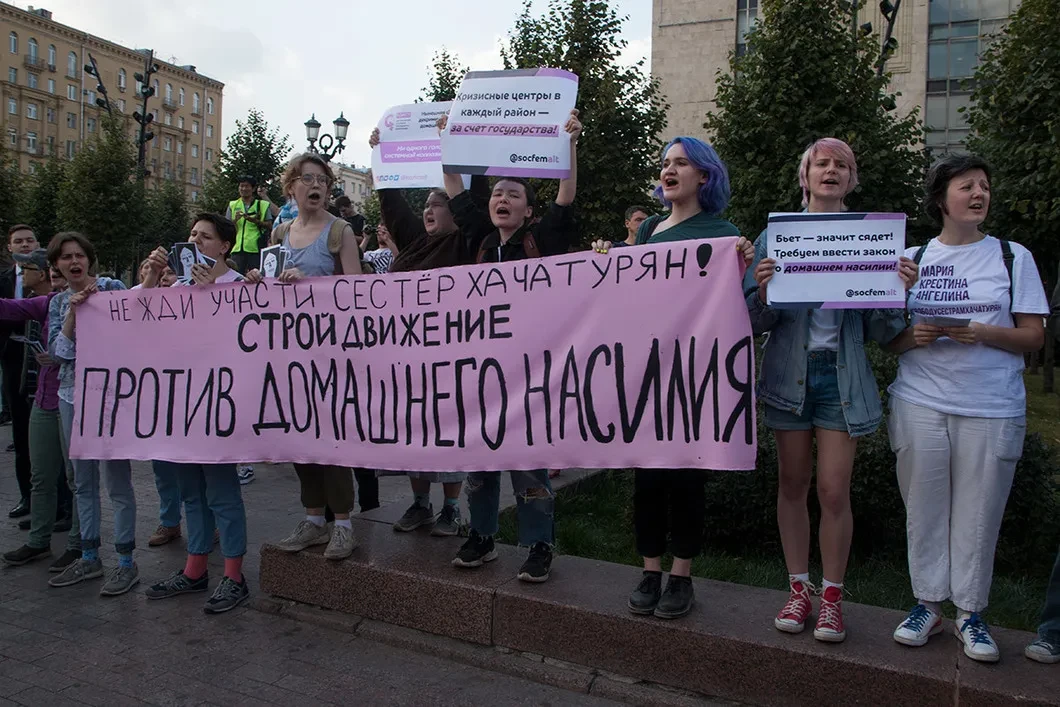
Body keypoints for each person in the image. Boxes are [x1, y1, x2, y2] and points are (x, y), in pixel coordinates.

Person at [744, 138, 918, 640]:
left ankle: (833, 599)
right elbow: (753, 319)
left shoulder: (872, 238)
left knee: (833, 489)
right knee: (792, 484)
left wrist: (898, 290)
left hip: (842, 379)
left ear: (851, 179)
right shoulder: (777, 236)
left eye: (842, 165)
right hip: (789, 377)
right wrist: (763, 291)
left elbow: (884, 330)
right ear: (806, 176)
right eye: (822, 163)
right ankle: (799, 590)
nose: (831, 170)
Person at [885, 154, 1047, 662]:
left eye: (984, 187)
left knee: (979, 514)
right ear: (941, 199)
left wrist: (981, 332)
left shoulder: (1012, 257)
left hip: (991, 405)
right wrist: (913, 335)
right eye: (966, 187)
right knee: (924, 507)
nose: (979, 195)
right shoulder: (910, 259)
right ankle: (928, 605)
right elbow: (888, 339)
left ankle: (971, 614)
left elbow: (1034, 336)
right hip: (920, 400)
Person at [592, 137, 754, 616]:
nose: (669, 170)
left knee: (686, 478)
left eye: (681, 163)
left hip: (695, 373)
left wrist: (744, 265)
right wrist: (606, 261)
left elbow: (737, 307)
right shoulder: (649, 232)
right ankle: (649, 571)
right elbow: (630, 295)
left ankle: (681, 576)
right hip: (649, 370)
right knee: (648, 478)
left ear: (704, 175)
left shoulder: (724, 234)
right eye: (665, 163)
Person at [445, 109, 582, 583]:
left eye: (514, 194)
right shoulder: (480, 240)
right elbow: (455, 189)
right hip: (483, 372)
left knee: (528, 466)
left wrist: (570, 143)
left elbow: (566, 195)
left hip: (532, 373)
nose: (502, 199)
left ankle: (539, 545)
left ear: (528, 210)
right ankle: (481, 537)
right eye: (497, 193)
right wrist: (449, 141)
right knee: (480, 462)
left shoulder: (541, 239)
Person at [366, 126, 495, 538]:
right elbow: (392, 203)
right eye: (425, 204)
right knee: (415, 432)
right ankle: (420, 503)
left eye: (437, 203)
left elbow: (476, 196)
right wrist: (382, 156)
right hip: (408, 357)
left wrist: (456, 146)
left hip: (450, 357)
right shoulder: (414, 243)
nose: (428, 209)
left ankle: (451, 509)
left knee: (448, 432)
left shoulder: (466, 242)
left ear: (454, 210)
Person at [247, 153, 363, 561]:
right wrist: (258, 281)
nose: (316, 186)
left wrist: (311, 284)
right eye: (307, 179)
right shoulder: (280, 234)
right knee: (298, 437)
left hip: (329, 352)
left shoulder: (339, 231)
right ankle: (314, 520)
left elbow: (357, 291)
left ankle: (343, 525)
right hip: (286, 352)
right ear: (291, 187)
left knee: (331, 438)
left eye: (322, 180)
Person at [139, 213, 251, 613]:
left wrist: (211, 297)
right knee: (191, 491)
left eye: (205, 236)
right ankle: (195, 569)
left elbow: (246, 344)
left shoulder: (240, 286)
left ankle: (234, 577)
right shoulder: (177, 288)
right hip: (181, 407)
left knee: (222, 492)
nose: (196, 241)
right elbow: (137, 322)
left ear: (224, 246)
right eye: (192, 235)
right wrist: (151, 278)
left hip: (220, 407)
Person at [45, 232, 139, 596]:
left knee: (117, 481)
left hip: (111, 397)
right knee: (82, 481)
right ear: (56, 265)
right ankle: (89, 556)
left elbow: (134, 326)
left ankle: (126, 562)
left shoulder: (112, 287)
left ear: (89, 259)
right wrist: (73, 311)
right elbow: (59, 354)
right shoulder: (58, 302)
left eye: (79, 255)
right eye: (66, 257)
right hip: (72, 397)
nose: (74, 262)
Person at [0, 248, 79, 571]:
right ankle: (38, 541)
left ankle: (79, 546)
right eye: (57, 270)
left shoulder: (90, 301)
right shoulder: (47, 303)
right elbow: (9, 308)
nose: (59, 279)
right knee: (41, 476)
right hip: (44, 400)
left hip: (72, 399)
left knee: (76, 479)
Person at [1, 225, 39, 519]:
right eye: (19, 241)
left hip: (44, 361)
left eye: (29, 240)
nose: (25, 245)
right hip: (13, 359)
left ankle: (56, 501)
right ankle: (27, 496)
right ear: (9, 247)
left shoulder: (51, 275)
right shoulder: (4, 280)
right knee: (21, 430)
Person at [226, 175, 273, 274]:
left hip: (256, 248)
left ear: (253, 189)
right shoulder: (232, 205)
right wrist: (235, 220)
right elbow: (226, 227)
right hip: (237, 248)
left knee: (256, 277)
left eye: (246, 186)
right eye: (241, 186)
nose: (243, 189)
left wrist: (255, 221)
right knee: (236, 277)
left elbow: (270, 225)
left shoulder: (262, 205)